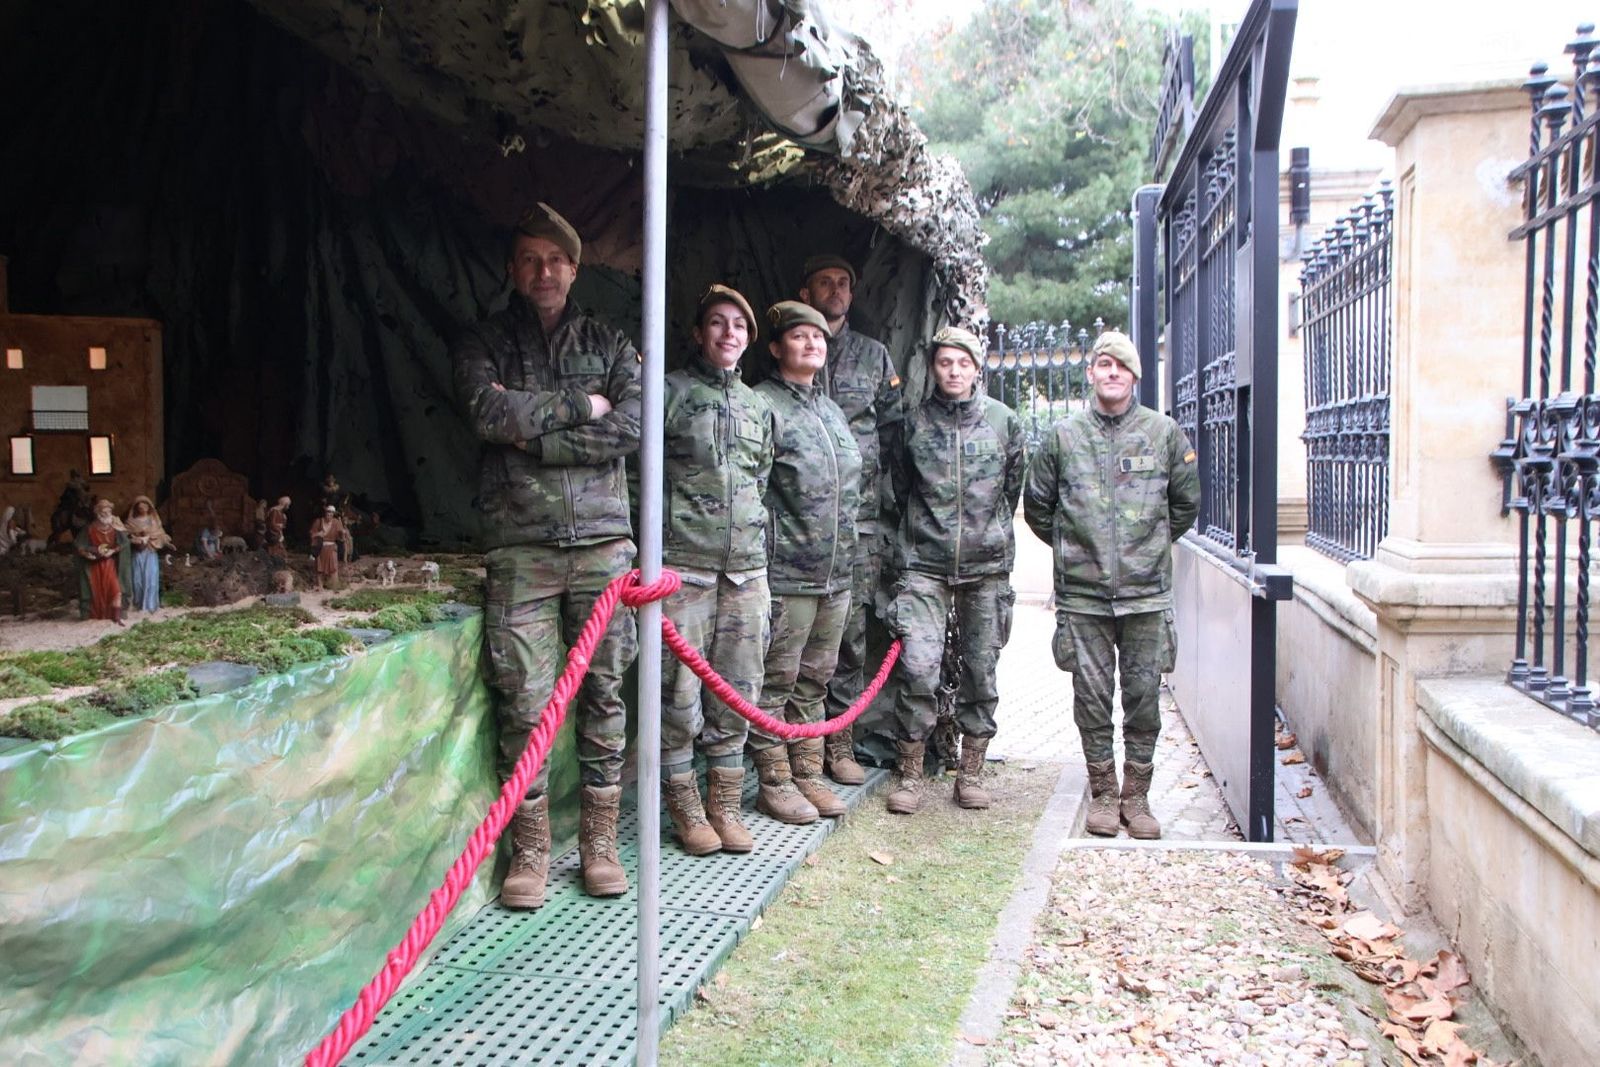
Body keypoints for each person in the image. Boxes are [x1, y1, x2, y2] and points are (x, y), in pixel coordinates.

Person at [452, 201, 641, 908]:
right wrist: (584, 406)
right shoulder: (484, 341)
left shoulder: (612, 343)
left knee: (604, 693)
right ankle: (529, 851)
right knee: (525, 705)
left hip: (601, 545)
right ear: (512, 268)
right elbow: (487, 413)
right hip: (520, 545)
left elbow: (633, 425)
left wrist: (534, 435)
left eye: (556, 259)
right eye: (530, 259)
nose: (544, 271)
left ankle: (598, 844)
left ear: (575, 268)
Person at [1023, 330, 1200, 839]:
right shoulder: (1063, 437)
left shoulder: (1163, 434)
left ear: (1135, 377)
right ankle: (1102, 793)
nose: (1113, 373)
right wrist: (1076, 549)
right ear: (1091, 373)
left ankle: (1137, 797)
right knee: (1092, 698)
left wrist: (1145, 549)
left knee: (1143, 697)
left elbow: (1185, 504)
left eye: (1122, 366)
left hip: (1146, 596)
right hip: (1084, 598)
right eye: (1104, 364)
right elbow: (1038, 506)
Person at [883, 326, 1025, 814]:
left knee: (981, 671)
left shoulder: (1003, 422)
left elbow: (1012, 489)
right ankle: (909, 773)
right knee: (918, 669)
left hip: (986, 569)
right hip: (924, 564)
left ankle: (971, 773)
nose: (954, 371)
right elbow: (902, 488)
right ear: (934, 367)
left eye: (963, 363)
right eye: (945, 363)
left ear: (977, 368)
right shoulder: (914, 423)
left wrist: (988, 535)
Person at [657, 285, 774, 857]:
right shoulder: (669, 392)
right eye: (718, 323)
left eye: (739, 326)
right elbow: (640, 476)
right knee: (678, 697)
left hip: (746, 573)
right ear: (699, 332)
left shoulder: (757, 406)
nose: (729, 333)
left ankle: (724, 806)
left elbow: (761, 478)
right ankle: (686, 809)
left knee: (738, 692)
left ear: (749, 340)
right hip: (685, 569)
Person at [750, 301, 863, 824]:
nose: (812, 343)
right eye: (799, 336)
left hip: (835, 574)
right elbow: (752, 489)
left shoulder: (831, 410)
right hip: (787, 573)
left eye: (818, 336)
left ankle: (808, 773)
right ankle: (774, 781)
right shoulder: (763, 404)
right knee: (777, 680)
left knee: (816, 679)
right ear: (776, 348)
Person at [798, 253, 903, 786]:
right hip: (800, 526)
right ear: (807, 292)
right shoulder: (794, 348)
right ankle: (797, 744)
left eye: (843, 283)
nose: (836, 290)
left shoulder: (873, 355)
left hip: (859, 524)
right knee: (797, 639)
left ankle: (839, 742)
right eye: (825, 282)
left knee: (851, 638)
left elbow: (892, 433)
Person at [75, 499, 130, 625]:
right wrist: (87, 553)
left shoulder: (116, 528)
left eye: (108, 511)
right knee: (96, 591)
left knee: (116, 589)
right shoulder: (89, 529)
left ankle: (116, 616)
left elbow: (124, 543)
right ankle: (98, 614)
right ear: (98, 513)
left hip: (110, 564)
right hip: (94, 565)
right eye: (103, 512)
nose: (106, 514)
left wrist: (113, 550)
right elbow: (80, 545)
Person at [125, 496, 173, 613]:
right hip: (137, 554)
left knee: (150, 579)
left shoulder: (154, 521)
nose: (143, 509)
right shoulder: (131, 522)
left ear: (149, 507)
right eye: (140, 507)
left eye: (145, 506)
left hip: (150, 553)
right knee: (137, 579)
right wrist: (136, 538)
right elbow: (125, 536)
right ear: (136, 508)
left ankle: (150, 605)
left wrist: (166, 541)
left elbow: (161, 534)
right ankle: (138, 603)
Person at [309, 506, 348, 591]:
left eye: (331, 513)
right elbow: (312, 534)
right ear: (325, 513)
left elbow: (341, 538)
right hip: (320, 548)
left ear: (333, 514)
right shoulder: (318, 521)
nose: (329, 514)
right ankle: (320, 585)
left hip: (332, 548)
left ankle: (335, 585)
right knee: (319, 568)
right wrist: (318, 534)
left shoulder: (336, 522)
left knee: (333, 567)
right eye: (328, 512)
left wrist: (342, 533)